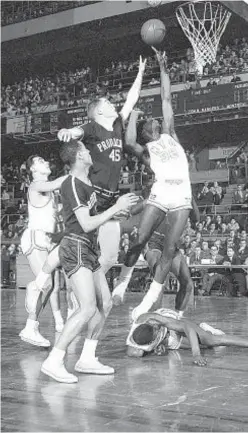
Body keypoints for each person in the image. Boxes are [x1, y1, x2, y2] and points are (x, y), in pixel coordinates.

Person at [41, 139, 138, 383]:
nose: (89, 152)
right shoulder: (72, 183)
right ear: (79, 157)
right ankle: (54, 360)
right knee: (87, 307)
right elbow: (84, 224)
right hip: (74, 245)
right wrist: (115, 207)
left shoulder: (88, 184)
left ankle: (87, 358)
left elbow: (92, 221)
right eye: (85, 149)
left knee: (105, 303)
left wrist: (115, 213)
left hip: (88, 247)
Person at [112, 48, 192, 321]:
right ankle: (122, 281)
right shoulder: (147, 152)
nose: (157, 119)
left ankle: (146, 303)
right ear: (148, 131)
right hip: (161, 192)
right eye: (152, 122)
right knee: (139, 238)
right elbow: (129, 142)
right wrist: (133, 116)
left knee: (170, 249)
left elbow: (166, 97)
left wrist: (164, 68)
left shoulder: (170, 134)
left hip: (181, 194)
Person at [57, 57, 146, 276]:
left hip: (112, 197)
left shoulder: (116, 126)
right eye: (107, 104)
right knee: (79, 241)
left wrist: (141, 73)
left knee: (110, 257)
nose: (112, 104)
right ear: (98, 112)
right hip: (93, 195)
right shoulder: (92, 128)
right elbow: (77, 132)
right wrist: (68, 132)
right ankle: (56, 278)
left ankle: (91, 282)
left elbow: (131, 100)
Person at [19, 155, 68, 347]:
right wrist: (76, 171)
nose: (46, 161)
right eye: (40, 161)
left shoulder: (52, 193)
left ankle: (31, 326)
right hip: (35, 237)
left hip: (48, 240)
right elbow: (58, 182)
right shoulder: (36, 185)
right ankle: (31, 324)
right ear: (33, 169)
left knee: (50, 287)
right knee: (46, 283)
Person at [126, 308, 248, 366]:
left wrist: (196, 354)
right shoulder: (136, 344)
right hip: (168, 339)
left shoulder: (157, 320)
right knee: (202, 344)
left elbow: (187, 328)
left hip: (176, 324)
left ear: (156, 330)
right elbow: (132, 351)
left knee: (211, 341)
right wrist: (155, 349)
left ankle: (206, 332)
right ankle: (203, 329)